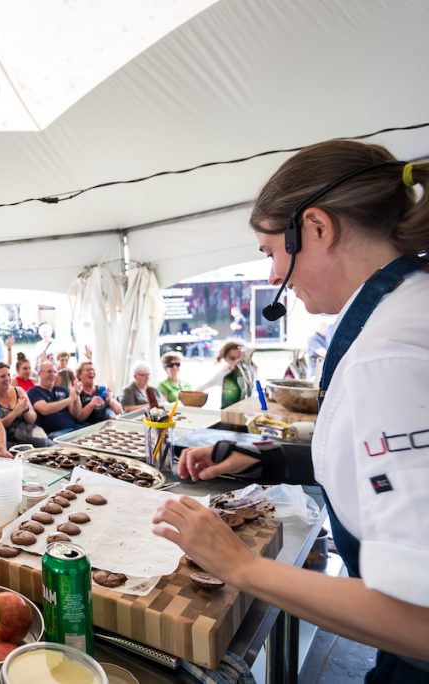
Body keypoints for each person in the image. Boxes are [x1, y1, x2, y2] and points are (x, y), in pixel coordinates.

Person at [153, 141, 429, 681]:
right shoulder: (405, 308)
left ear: (318, 229)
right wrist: (264, 459)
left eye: (270, 251)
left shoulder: (389, 356)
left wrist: (241, 565)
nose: (276, 270)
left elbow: (418, 619)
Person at [0, 362, 49, 447]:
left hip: (27, 433)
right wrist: (15, 412)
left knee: (49, 445)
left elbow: (32, 419)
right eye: (2, 376)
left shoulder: (19, 391)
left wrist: (26, 410)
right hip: (6, 439)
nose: (7, 379)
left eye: (8, 375)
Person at [27, 361, 87, 438]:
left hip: (74, 428)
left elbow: (76, 414)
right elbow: (44, 409)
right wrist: (69, 399)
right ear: (40, 373)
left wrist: (76, 395)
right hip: (55, 434)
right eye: (49, 371)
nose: (52, 374)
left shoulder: (62, 390)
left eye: (54, 372)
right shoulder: (34, 391)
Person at [195, 341, 254, 409]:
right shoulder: (225, 374)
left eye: (240, 358)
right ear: (225, 358)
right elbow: (202, 387)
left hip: (246, 408)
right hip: (229, 411)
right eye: (232, 358)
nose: (237, 361)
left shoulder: (250, 370)